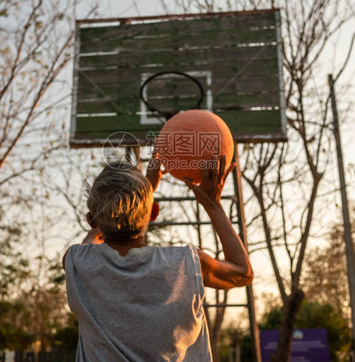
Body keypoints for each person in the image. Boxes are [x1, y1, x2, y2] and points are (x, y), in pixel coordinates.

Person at [63, 154, 254, 361]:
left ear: (91, 220)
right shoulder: (187, 263)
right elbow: (242, 273)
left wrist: (140, 195)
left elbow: (94, 237)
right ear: (154, 212)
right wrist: (212, 203)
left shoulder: (77, 262)